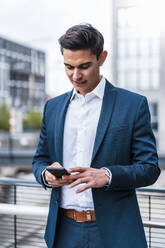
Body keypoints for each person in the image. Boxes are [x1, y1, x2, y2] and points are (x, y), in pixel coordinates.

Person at [32, 23, 160, 248]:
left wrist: (108, 175)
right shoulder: (52, 107)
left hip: (115, 232)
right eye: (68, 67)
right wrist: (46, 174)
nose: (75, 75)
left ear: (102, 57)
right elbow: (39, 160)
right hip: (63, 232)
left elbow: (150, 168)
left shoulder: (133, 105)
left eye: (84, 66)